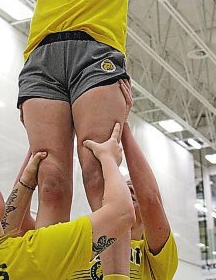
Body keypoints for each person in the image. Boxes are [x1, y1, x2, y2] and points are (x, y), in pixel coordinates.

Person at [18, 0, 167, 275]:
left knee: (100, 175)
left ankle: (113, 274)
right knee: (51, 180)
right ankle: (48, 272)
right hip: (44, 62)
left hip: (97, 59)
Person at [0, 123, 135, 280]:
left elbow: (3, 233)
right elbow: (122, 214)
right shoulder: (31, 255)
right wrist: (109, 159)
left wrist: (26, 184)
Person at [71, 80, 179, 279]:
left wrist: (124, 125)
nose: (130, 189)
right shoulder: (86, 243)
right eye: (126, 186)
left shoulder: (156, 257)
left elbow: (150, 199)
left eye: (133, 187)